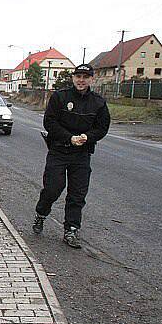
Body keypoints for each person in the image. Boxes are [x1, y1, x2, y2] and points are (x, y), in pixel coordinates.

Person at [32, 63, 110, 248]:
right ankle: (41, 214)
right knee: (53, 188)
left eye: (85, 77)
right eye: (78, 76)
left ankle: (71, 230)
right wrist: (69, 137)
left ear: (92, 79)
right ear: (73, 78)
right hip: (59, 150)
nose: (81, 80)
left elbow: (102, 127)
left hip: (81, 154)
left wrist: (86, 137)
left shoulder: (98, 102)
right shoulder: (60, 97)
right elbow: (49, 122)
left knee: (77, 194)